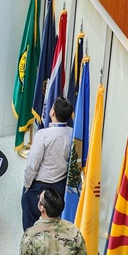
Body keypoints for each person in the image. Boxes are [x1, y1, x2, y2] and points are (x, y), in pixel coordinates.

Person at [19, 95, 73, 230]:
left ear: (52, 112)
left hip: (40, 188)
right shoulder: (73, 133)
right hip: (60, 187)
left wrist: (27, 186)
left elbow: (32, 165)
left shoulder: (43, 135)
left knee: (31, 225)